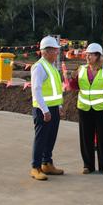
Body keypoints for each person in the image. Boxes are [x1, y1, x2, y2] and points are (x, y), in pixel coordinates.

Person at [69, 43, 103, 175]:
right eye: (86, 54)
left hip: (102, 110)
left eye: (90, 54)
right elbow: (73, 87)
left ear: (97, 56)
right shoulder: (81, 69)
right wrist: (72, 78)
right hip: (84, 108)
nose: (87, 57)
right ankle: (88, 165)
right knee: (86, 138)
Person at [30, 36, 65, 181]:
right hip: (43, 110)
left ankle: (47, 163)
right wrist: (45, 110)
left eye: (57, 51)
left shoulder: (51, 67)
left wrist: (59, 106)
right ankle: (35, 167)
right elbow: (36, 90)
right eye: (54, 51)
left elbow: (56, 89)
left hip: (54, 108)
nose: (57, 53)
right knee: (41, 139)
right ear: (45, 52)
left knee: (50, 138)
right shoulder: (39, 67)